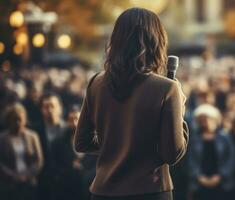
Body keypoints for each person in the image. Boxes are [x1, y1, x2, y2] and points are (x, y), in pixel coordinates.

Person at [74, 8, 188, 200]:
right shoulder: (167, 88)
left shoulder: (96, 82)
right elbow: (172, 153)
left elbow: (82, 142)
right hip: (150, 191)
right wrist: (180, 113)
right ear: (156, 41)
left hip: (103, 192)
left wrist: (117, 147)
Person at [188, 104, 235, 200]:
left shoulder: (224, 137)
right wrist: (199, 177)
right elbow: (189, 159)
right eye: (202, 120)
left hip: (221, 182)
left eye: (209, 119)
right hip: (199, 183)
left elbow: (231, 158)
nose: (206, 122)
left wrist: (220, 175)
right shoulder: (194, 138)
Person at [0, 103, 43, 200]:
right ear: (9, 120)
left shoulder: (32, 136)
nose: (18, 123)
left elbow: (39, 160)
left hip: (29, 183)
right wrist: (14, 176)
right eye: (15, 120)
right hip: (9, 185)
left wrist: (26, 175)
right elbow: (1, 163)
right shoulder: (2, 139)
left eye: (20, 119)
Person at [53, 106, 85, 200]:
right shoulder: (59, 142)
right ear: (67, 122)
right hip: (68, 186)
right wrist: (70, 166)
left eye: (77, 119)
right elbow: (56, 166)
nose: (75, 123)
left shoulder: (93, 139)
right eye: (71, 120)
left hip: (88, 184)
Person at [37, 93, 65, 200]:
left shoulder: (69, 130)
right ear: (41, 110)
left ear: (60, 108)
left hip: (66, 185)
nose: (49, 110)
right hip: (44, 185)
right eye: (46, 107)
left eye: (52, 106)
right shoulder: (35, 132)